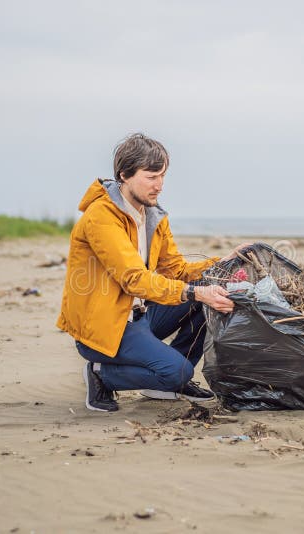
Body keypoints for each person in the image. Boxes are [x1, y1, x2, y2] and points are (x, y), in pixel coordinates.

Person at [56, 133, 247, 411]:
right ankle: (101, 374)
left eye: (162, 176)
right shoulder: (101, 217)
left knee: (205, 294)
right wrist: (196, 292)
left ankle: (164, 381)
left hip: (141, 317)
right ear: (125, 175)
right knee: (180, 367)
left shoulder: (152, 214)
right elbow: (134, 279)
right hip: (105, 327)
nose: (159, 185)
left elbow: (176, 269)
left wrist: (223, 262)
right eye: (151, 177)